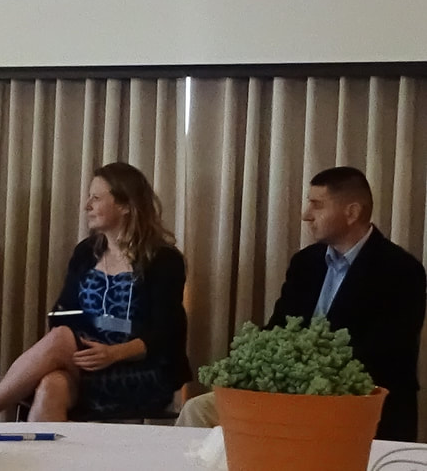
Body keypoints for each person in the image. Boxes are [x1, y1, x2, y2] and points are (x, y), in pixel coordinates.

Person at [177, 166, 426, 442]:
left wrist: (308, 373)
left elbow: (387, 354)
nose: (307, 215)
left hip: (354, 402)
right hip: (287, 391)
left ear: (352, 212)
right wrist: (252, 363)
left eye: (317, 205)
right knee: (197, 410)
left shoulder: (401, 270)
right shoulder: (305, 262)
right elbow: (278, 327)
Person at [0, 162, 190, 421]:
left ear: (126, 206)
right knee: (51, 384)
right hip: (88, 363)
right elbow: (63, 313)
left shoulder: (164, 260)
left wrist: (112, 353)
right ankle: (29, 444)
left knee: (59, 341)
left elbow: (166, 333)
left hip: (141, 370)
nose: (86, 206)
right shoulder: (86, 252)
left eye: (96, 198)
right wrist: (83, 346)